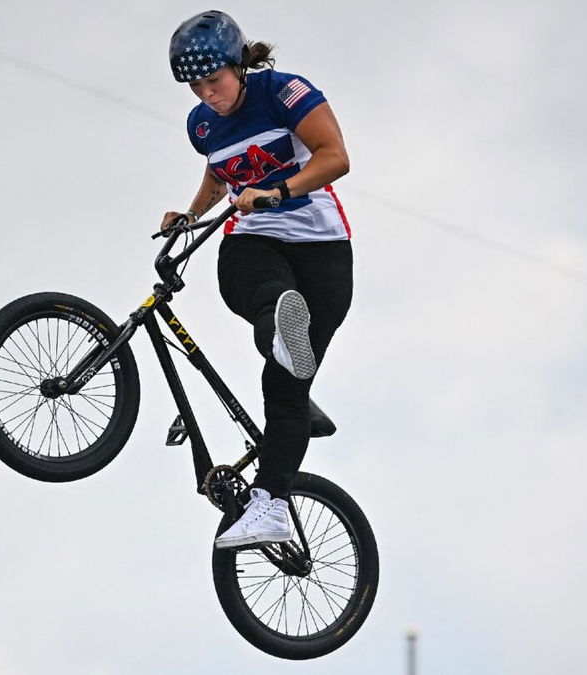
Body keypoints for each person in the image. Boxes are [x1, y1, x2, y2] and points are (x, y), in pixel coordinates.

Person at [160, 10, 354, 549]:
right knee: (241, 269)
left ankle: (270, 502)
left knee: (282, 394)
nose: (208, 94)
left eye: (214, 81)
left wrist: (277, 192)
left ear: (238, 65)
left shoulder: (284, 93)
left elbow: (335, 157)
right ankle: (282, 333)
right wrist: (191, 214)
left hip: (322, 253)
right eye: (195, 87)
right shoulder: (202, 123)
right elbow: (218, 170)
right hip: (259, 243)